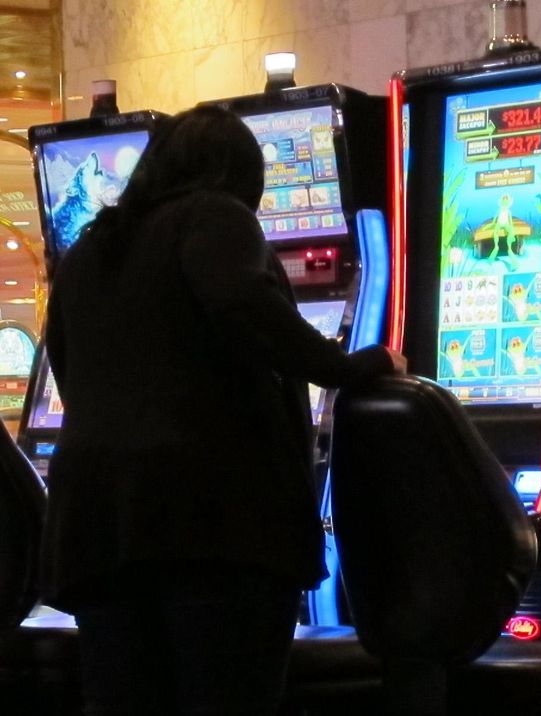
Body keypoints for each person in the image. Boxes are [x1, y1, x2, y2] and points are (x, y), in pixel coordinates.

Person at [41, 104, 406, 716]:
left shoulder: (91, 248)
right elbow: (251, 315)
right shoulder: (211, 215)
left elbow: (67, 365)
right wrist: (359, 366)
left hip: (97, 525)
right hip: (210, 523)